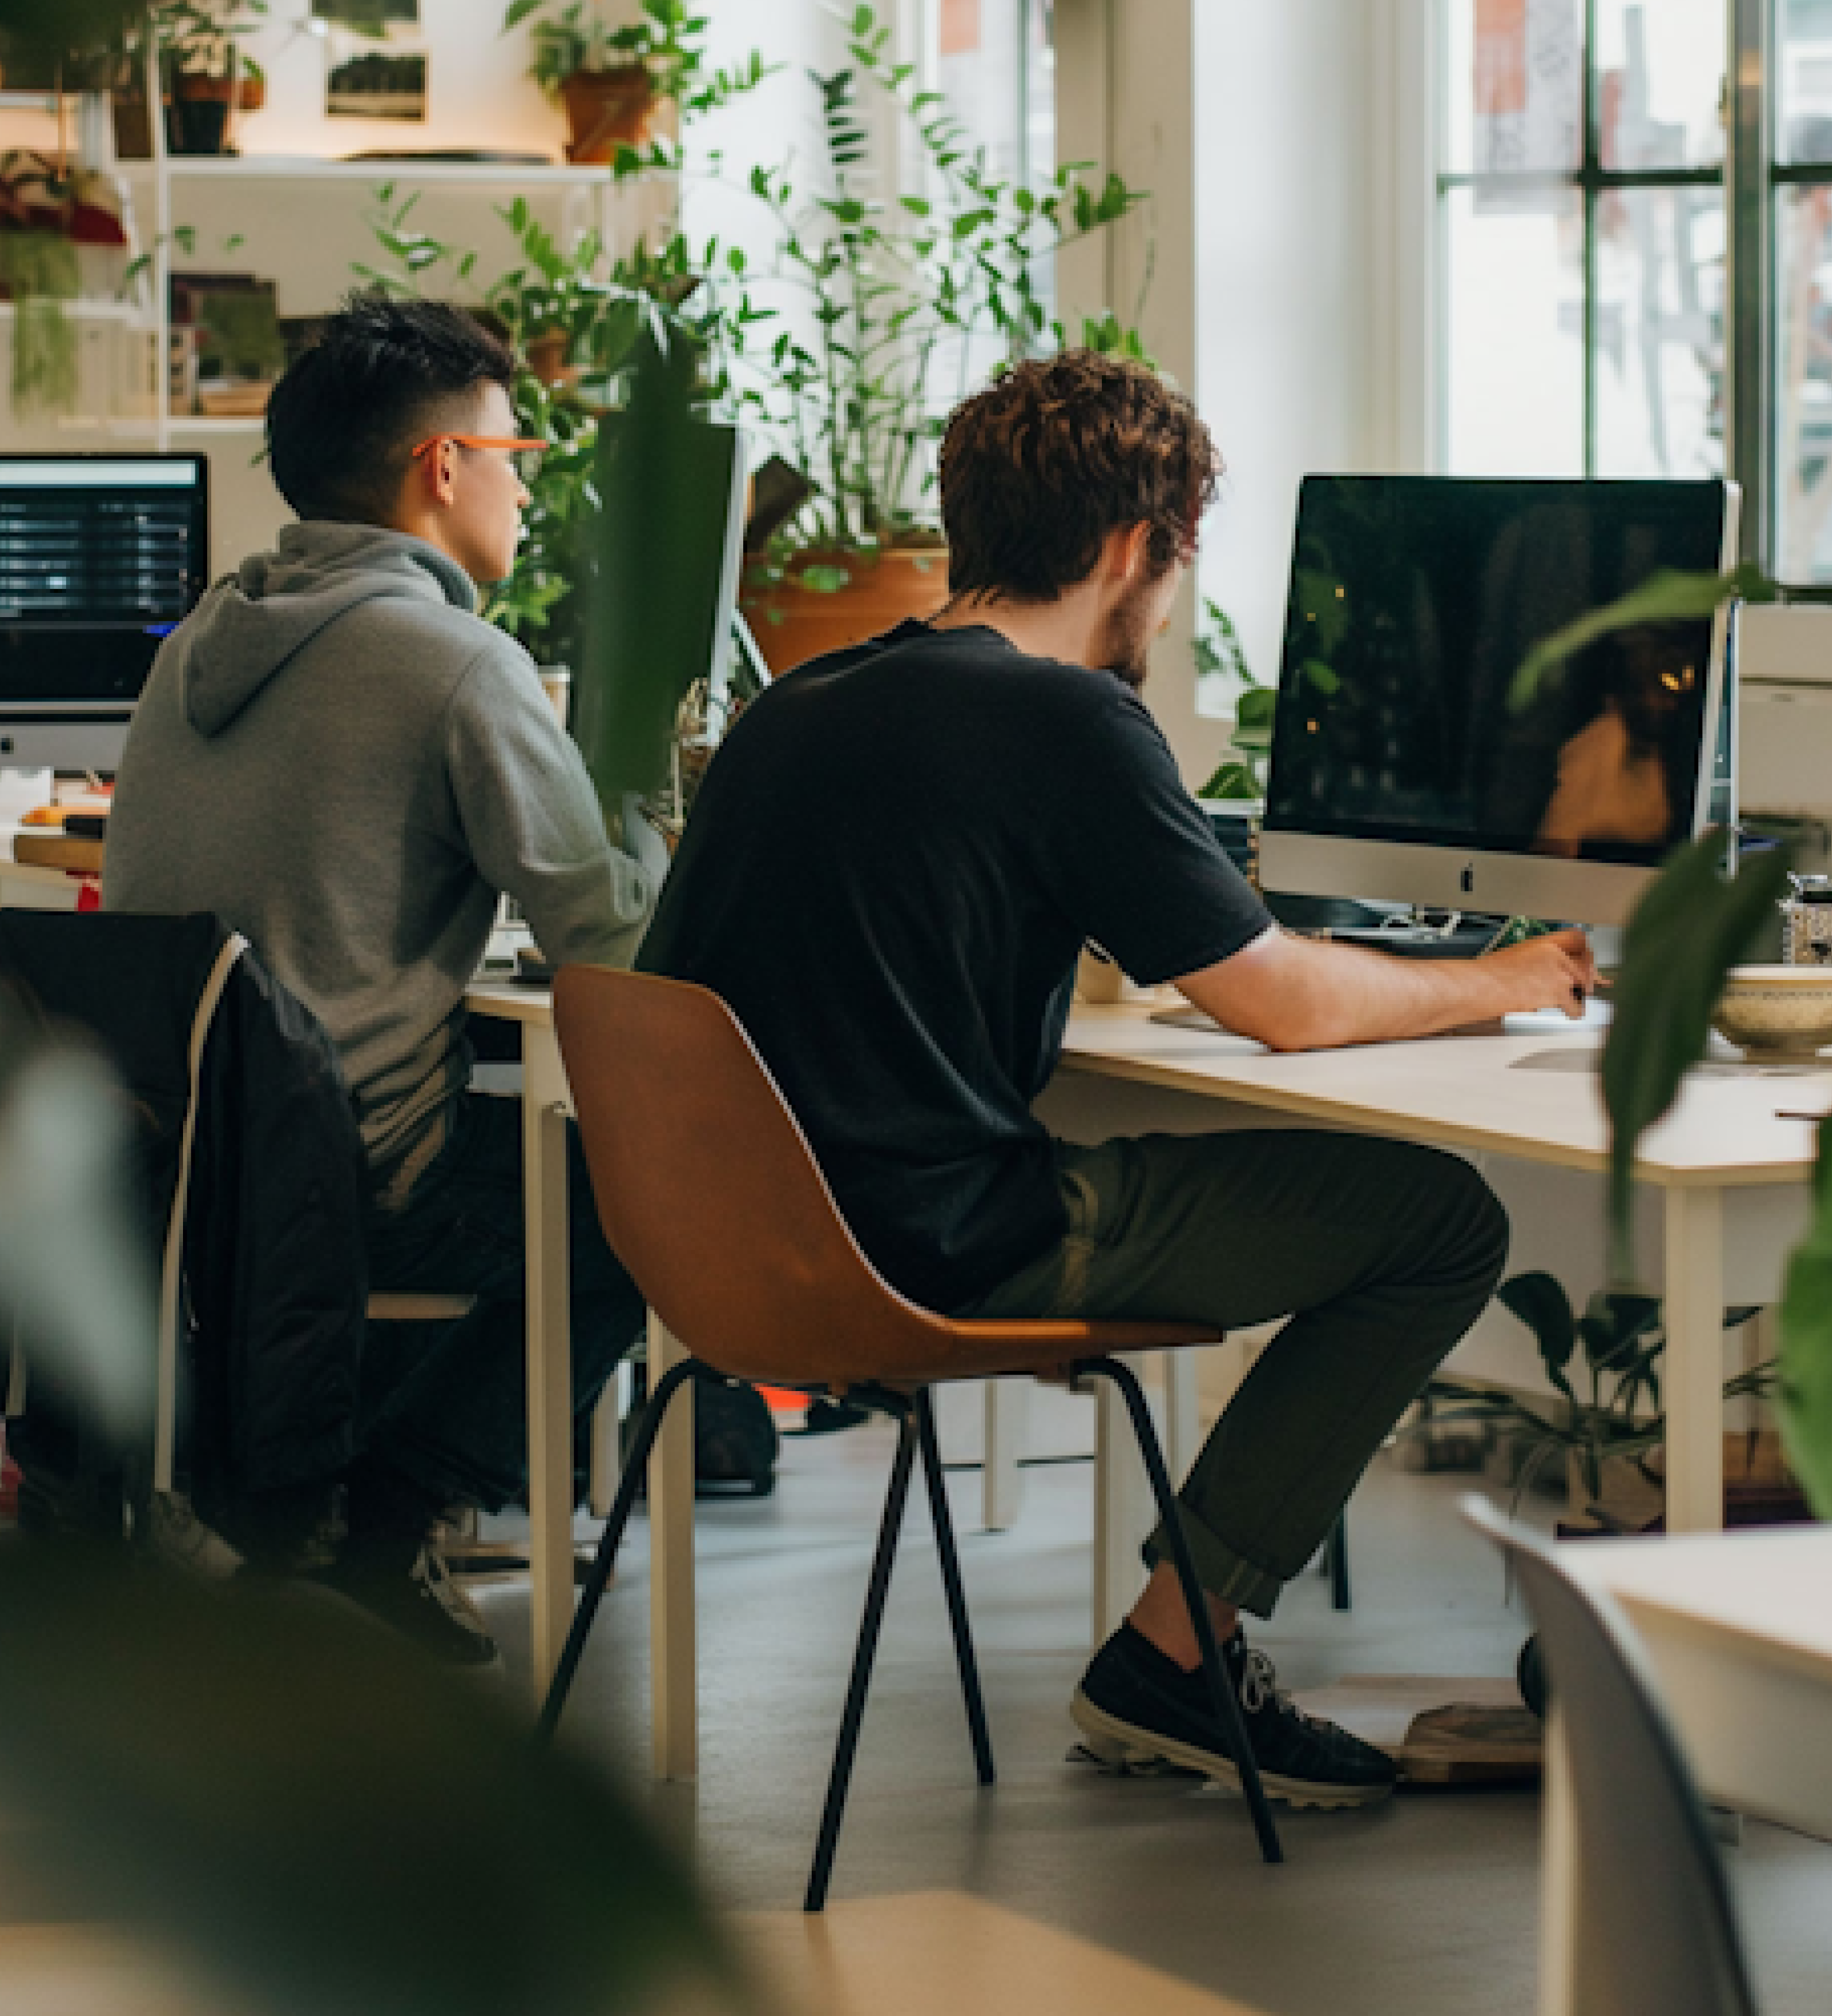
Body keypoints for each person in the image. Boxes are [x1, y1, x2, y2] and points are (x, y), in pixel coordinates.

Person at [641, 350, 1594, 1806]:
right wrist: (1504, 978)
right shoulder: (1068, 720)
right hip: (936, 1242)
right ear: (1129, 548)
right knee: (1442, 1218)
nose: (1168, 599)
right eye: (1175, 561)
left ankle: (1172, 1650)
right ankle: (1174, 1651)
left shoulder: (803, 701)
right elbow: (1277, 1002)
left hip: (737, 1258)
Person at [106, 293, 660, 1662]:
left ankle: (323, 1491)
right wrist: (651, 802)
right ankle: (384, 1508)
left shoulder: (195, 646)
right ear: (441, 466)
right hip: (348, 1170)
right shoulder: (457, 663)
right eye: (513, 451)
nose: (526, 484)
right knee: (651, 1213)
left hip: (188, 1161)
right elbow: (611, 940)